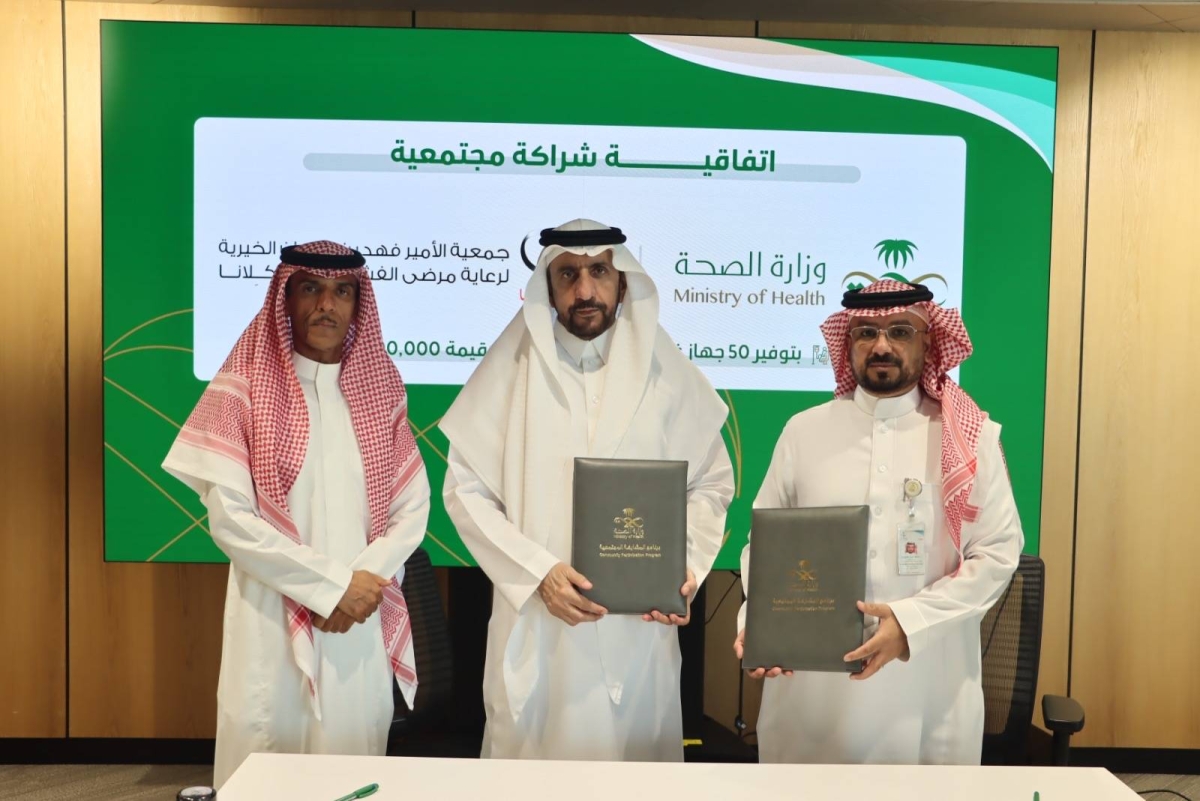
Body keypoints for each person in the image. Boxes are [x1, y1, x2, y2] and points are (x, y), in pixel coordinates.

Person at [440, 219, 733, 761]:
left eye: (599, 271)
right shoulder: (511, 369)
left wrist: (684, 568)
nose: (584, 290)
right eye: (567, 274)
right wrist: (538, 574)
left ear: (622, 281)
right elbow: (465, 491)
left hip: (640, 633)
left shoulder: (667, 374)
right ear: (547, 288)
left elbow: (711, 484)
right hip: (540, 628)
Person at [163, 240, 429, 787]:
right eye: (311, 288)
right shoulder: (243, 388)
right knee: (266, 768)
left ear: (358, 303)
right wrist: (331, 586)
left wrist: (359, 585)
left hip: (355, 619)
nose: (326, 304)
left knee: (351, 773)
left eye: (342, 291)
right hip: (271, 619)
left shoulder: (380, 390)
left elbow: (412, 508)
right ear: (286, 297)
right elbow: (231, 521)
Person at [734, 278, 1023, 765]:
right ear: (847, 341)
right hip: (813, 694)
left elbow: (997, 554)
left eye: (900, 331)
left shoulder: (971, 438)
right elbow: (764, 548)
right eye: (866, 332)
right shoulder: (803, 432)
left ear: (929, 341)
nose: (882, 345)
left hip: (926, 687)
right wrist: (759, 626)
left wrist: (910, 623)